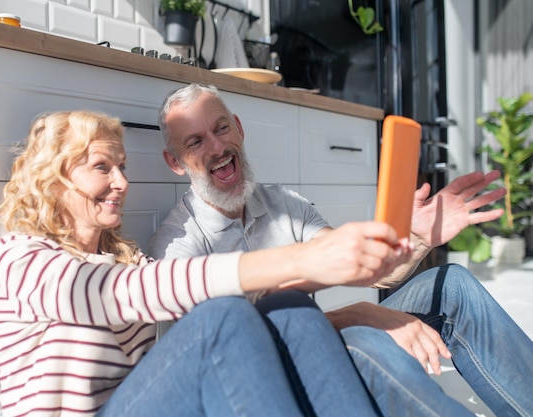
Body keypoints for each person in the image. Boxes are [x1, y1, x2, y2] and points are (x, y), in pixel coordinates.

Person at [0, 110, 423, 417]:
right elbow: (123, 292)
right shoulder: (20, 259)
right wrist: (303, 257)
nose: (121, 182)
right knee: (222, 314)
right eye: (102, 168)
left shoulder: (124, 259)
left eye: (121, 166)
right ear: (53, 179)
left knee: (290, 309)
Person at [148, 83, 533, 417]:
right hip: (267, 381)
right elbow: (236, 350)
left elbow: (365, 269)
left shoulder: (285, 203)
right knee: (361, 341)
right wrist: (357, 315)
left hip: (321, 337)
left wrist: (415, 239)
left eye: (221, 128)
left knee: (452, 283)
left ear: (240, 129)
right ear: (175, 162)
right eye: (196, 142)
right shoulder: (177, 246)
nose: (217, 147)